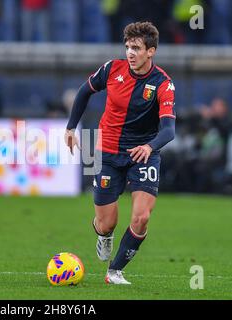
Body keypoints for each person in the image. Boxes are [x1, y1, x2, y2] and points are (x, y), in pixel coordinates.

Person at [64, 22, 176, 284]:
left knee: (141, 217)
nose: (130, 52)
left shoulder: (163, 84)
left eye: (136, 48)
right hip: (105, 150)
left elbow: (169, 130)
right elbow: (84, 91)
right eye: (127, 47)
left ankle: (114, 271)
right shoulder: (111, 68)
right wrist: (71, 127)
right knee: (106, 223)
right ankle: (103, 235)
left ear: (151, 51)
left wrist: (149, 146)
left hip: (143, 154)